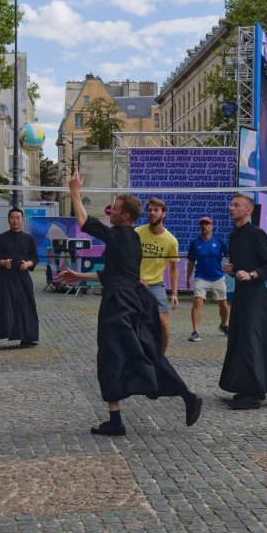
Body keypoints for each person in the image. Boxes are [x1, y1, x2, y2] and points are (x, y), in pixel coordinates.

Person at [62, 170, 201, 436]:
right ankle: (184, 395)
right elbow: (115, 274)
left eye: (114, 209)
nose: (110, 211)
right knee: (144, 354)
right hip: (135, 301)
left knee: (111, 358)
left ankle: (116, 420)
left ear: (125, 216)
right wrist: (78, 275)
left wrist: (75, 192)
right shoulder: (134, 238)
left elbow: (83, 221)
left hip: (119, 306)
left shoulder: (118, 235)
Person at [219, 193, 267, 409]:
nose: (230, 207)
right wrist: (232, 270)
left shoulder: (256, 234)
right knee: (241, 338)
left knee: (251, 340)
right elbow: (241, 265)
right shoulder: (234, 236)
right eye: (231, 204)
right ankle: (252, 387)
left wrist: (251, 274)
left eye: (236, 205)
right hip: (242, 294)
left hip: (255, 295)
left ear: (249, 210)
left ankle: (252, 395)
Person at [0, 207, 39, 350]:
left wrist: (28, 264)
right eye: (13, 218)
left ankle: (27, 337)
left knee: (26, 305)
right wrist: (2, 262)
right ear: (8, 220)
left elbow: (35, 258)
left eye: (18, 218)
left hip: (22, 277)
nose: (15, 220)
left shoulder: (29, 239)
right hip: (5, 277)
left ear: (22, 220)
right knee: (1, 306)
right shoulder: (0, 238)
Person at [135, 197, 179, 353]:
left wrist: (174, 293)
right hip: (134, 283)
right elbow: (128, 258)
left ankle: (161, 357)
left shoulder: (171, 241)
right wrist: (135, 277)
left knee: (162, 322)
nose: (152, 213)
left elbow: (173, 268)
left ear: (164, 214)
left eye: (156, 210)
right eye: (150, 210)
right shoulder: (137, 232)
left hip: (155, 285)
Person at [185, 216, 229, 341]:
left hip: (218, 276)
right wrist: (188, 278)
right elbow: (191, 262)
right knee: (197, 302)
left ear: (212, 226)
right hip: (201, 277)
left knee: (224, 305)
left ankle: (223, 325)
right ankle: (195, 332)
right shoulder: (195, 243)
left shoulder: (218, 241)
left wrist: (233, 266)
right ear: (200, 226)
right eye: (202, 224)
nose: (204, 226)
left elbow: (229, 255)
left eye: (207, 224)